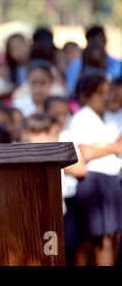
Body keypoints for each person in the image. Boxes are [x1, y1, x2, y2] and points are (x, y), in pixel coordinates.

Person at [69, 74, 122, 266]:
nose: (106, 98)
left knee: (113, 236)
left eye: (107, 93)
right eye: (101, 93)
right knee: (100, 239)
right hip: (94, 181)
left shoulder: (111, 117)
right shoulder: (82, 117)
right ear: (89, 95)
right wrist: (113, 147)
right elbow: (87, 153)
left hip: (112, 180)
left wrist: (100, 147)